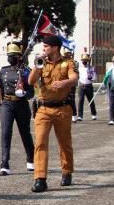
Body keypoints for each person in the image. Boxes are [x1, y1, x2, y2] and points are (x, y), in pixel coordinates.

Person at [29, 35, 78, 193]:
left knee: (64, 143)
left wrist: (64, 82)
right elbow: (30, 81)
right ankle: (40, 179)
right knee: (40, 142)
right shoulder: (41, 62)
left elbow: (74, 78)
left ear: (55, 47)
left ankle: (66, 171)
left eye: (46, 47)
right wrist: (37, 64)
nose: (43, 49)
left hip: (63, 108)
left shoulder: (67, 62)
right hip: (43, 109)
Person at [0, 43, 35, 176]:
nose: (10, 58)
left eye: (13, 56)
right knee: (5, 132)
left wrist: (24, 94)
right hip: (7, 104)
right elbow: (1, 88)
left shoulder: (26, 71)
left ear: (19, 56)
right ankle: (4, 163)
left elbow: (32, 92)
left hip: (21, 105)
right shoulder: (3, 71)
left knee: (25, 133)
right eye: (9, 55)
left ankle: (31, 159)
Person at [75, 48, 97, 121]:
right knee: (80, 101)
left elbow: (94, 76)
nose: (84, 61)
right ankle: (80, 116)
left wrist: (91, 78)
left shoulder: (91, 68)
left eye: (86, 60)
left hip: (89, 86)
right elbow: (77, 77)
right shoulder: (80, 68)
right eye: (83, 60)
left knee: (91, 100)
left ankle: (93, 114)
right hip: (81, 86)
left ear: (88, 61)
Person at [62, 47, 78, 119]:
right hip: (64, 83)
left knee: (71, 99)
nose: (68, 55)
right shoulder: (62, 63)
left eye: (69, 54)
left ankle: (74, 115)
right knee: (63, 99)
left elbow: (75, 72)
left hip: (71, 83)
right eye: (66, 54)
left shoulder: (74, 63)